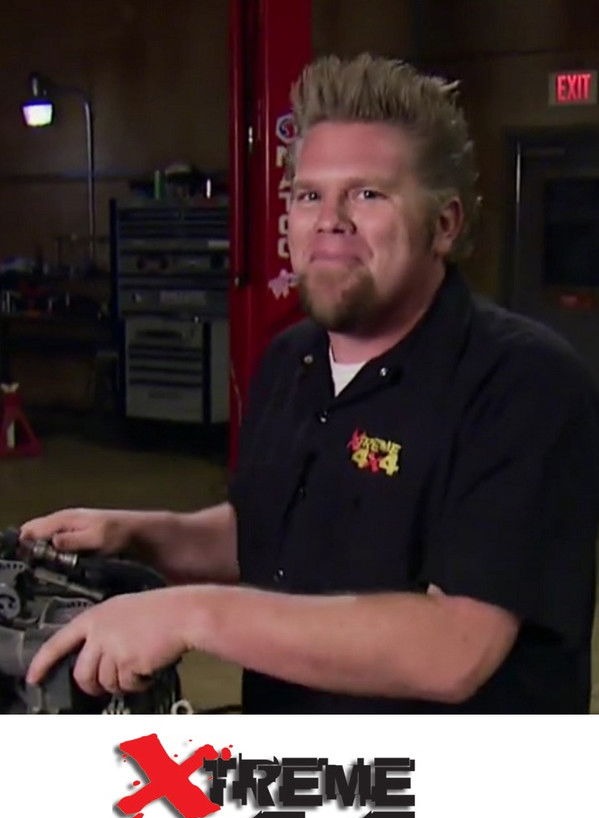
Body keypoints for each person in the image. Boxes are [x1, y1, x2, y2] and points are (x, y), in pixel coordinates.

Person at [23, 54, 599, 713]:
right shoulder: (290, 360)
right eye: (308, 195)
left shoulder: (523, 383)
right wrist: (139, 536)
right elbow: (268, 533)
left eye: (367, 194)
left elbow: (454, 649)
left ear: (444, 224)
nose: (330, 220)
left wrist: (190, 613)